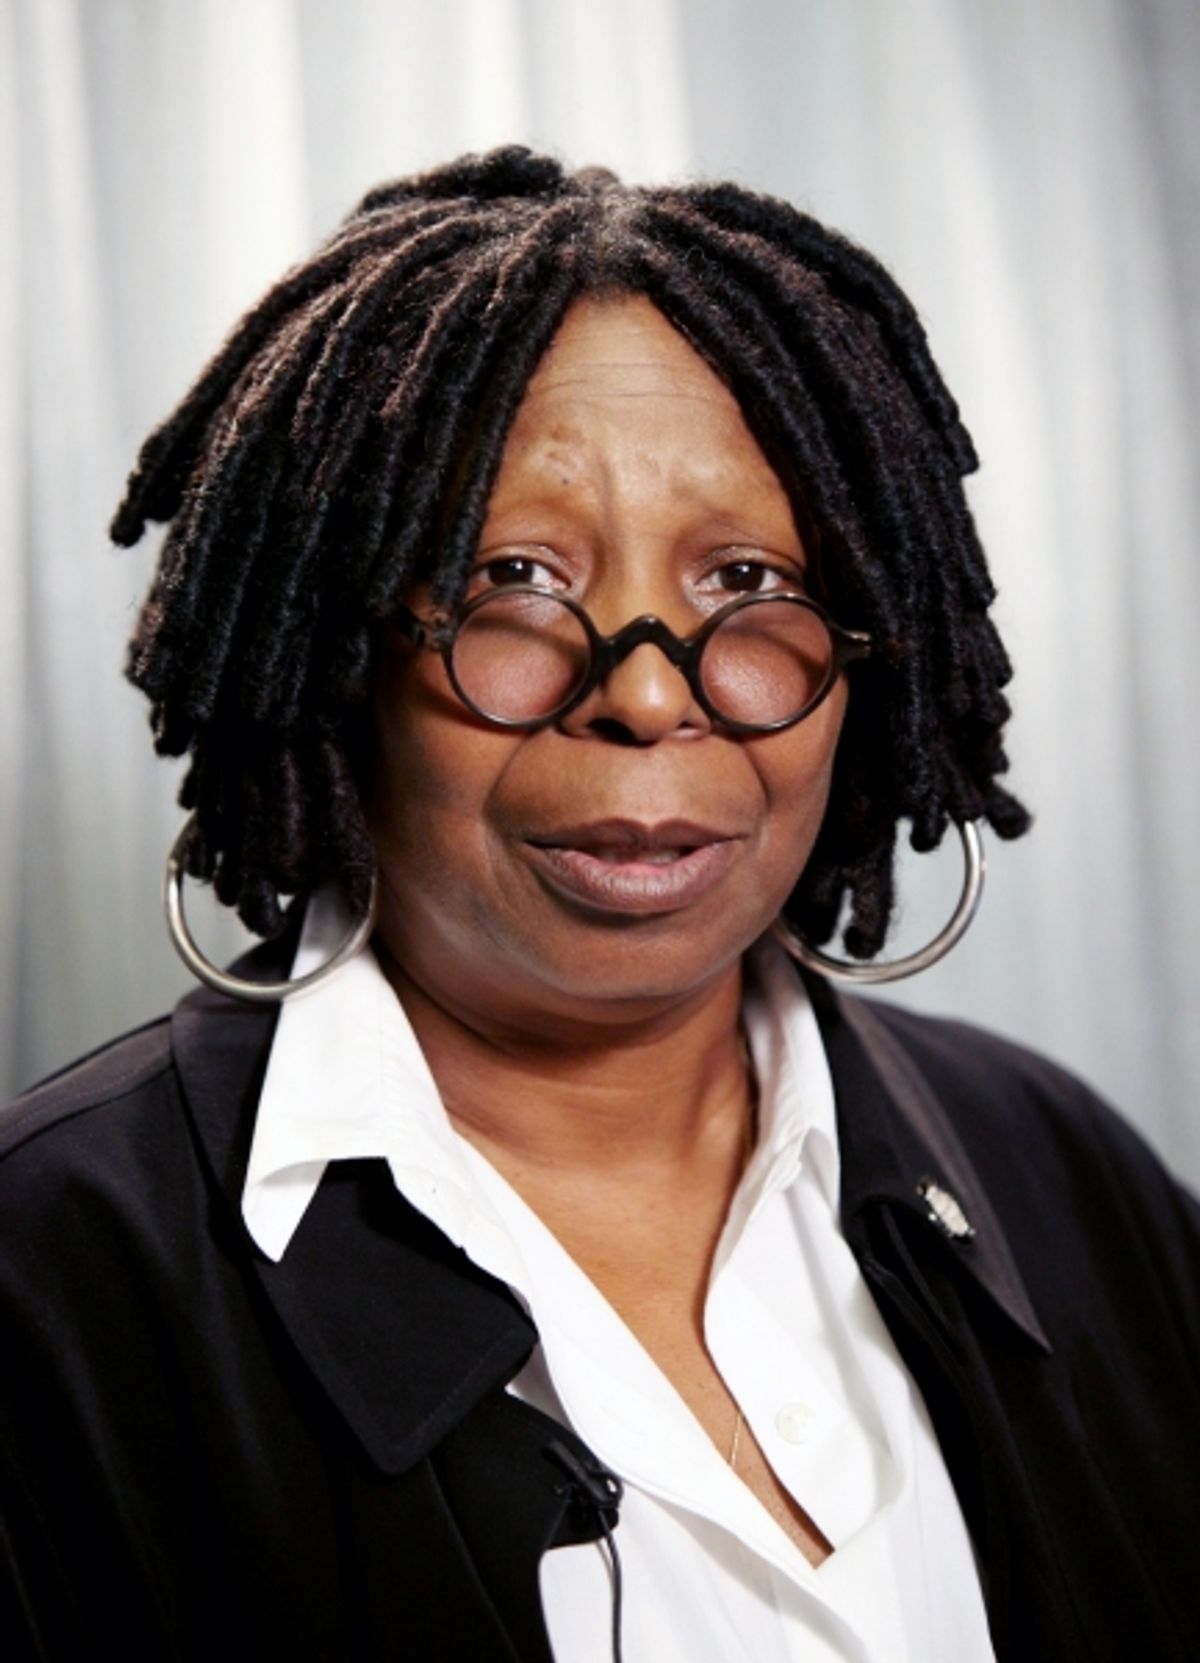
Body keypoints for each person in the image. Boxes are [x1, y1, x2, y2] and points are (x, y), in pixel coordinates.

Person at [1, 146, 1197, 1663]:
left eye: (747, 577)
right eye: (515, 576)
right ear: (330, 650)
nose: (642, 694)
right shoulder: (48, 1283)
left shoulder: (1068, 1178)